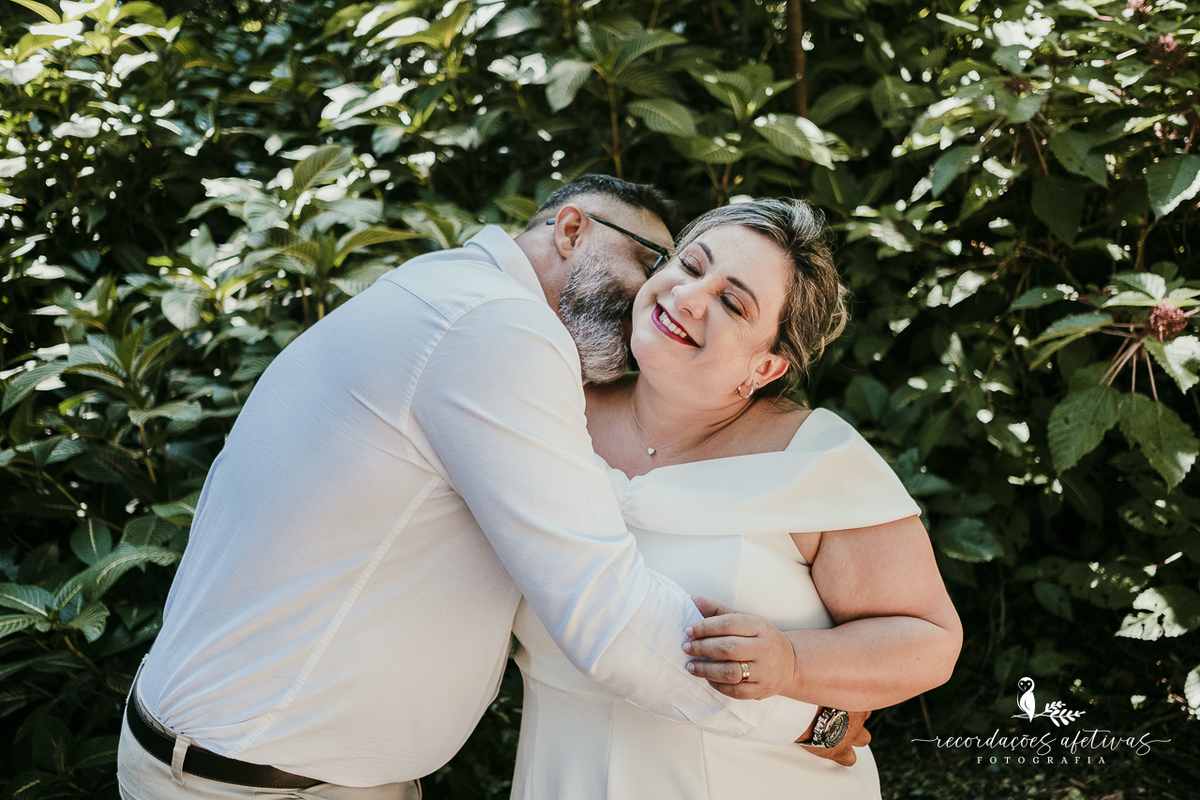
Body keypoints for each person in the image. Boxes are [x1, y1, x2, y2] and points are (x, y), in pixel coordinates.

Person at [116, 177, 862, 800]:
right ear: (571, 228)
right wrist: (803, 720)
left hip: (253, 765)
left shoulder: (440, 294)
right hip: (256, 783)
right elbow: (607, 615)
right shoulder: (495, 329)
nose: (659, 291)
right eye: (656, 259)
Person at [510, 198, 963, 799]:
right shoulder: (549, 408)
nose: (690, 297)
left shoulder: (814, 460)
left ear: (767, 366)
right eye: (691, 266)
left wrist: (794, 664)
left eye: (732, 302)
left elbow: (929, 641)